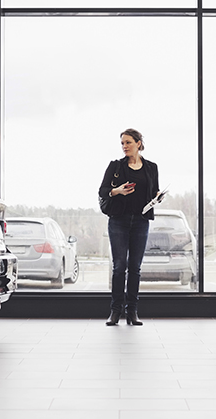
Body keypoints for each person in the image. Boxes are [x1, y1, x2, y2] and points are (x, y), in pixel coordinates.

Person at [98, 128, 159, 326]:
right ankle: (115, 311)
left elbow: (153, 192)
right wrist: (117, 191)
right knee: (119, 267)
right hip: (119, 221)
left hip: (140, 222)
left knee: (135, 268)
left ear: (139, 143)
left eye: (128, 143)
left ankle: (132, 311)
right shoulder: (115, 166)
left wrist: (157, 198)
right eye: (122, 143)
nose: (124, 146)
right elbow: (103, 190)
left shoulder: (151, 167)